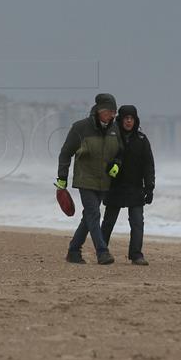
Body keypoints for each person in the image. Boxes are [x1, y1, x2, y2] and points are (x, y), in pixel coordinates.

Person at [56, 93, 121, 265]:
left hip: (104, 181)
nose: (112, 115)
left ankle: (73, 251)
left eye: (114, 111)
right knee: (93, 213)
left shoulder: (115, 130)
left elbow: (119, 152)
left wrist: (116, 164)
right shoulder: (80, 128)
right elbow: (65, 153)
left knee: (88, 218)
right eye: (109, 111)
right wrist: (62, 178)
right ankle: (102, 252)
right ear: (99, 110)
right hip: (85, 179)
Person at [101, 105, 155, 265]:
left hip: (136, 188)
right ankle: (102, 251)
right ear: (121, 119)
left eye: (132, 118)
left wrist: (150, 187)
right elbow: (102, 159)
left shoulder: (142, 140)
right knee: (108, 222)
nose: (129, 121)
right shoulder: (112, 137)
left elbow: (148, 165)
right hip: (114, 187)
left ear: (135, 120)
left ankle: (136, 255)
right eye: (126, 118)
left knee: (137, 223)